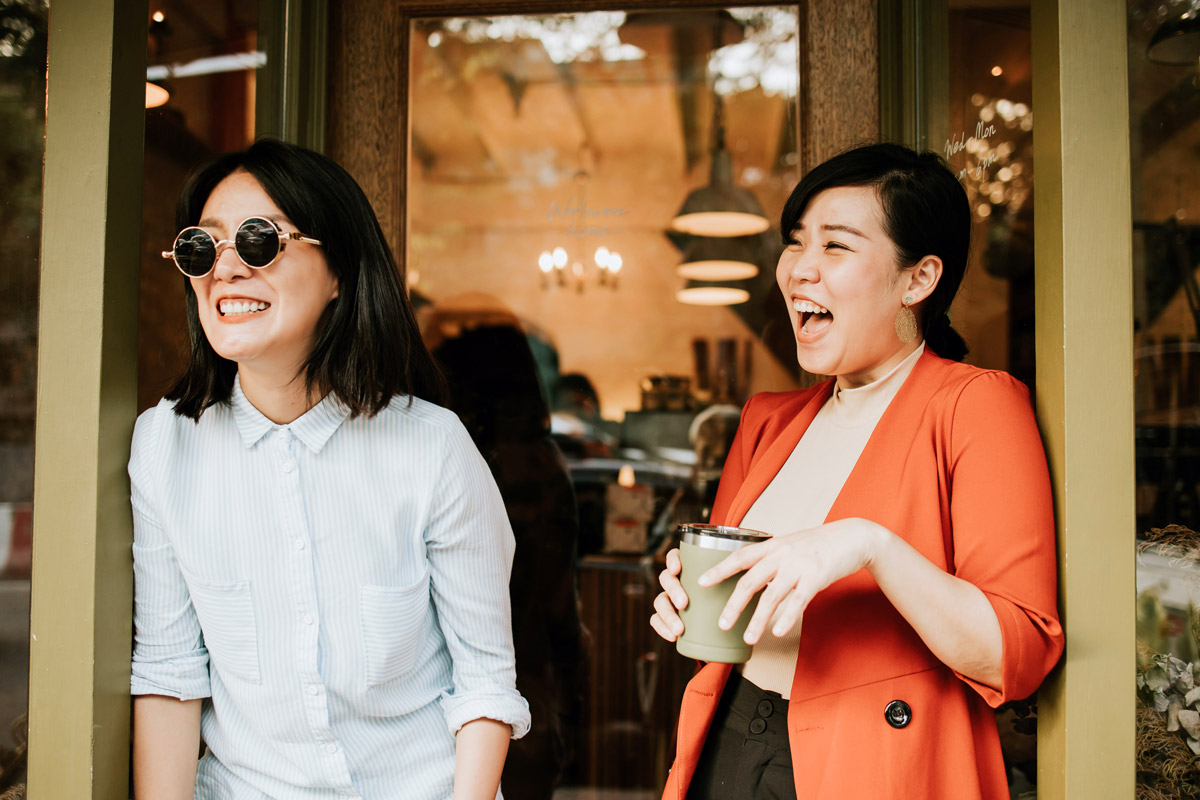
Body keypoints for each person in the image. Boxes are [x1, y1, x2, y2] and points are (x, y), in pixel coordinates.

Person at [649, 142, 1063, 800]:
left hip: (881, 764)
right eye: (795, 243)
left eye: (836, 247)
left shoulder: (975, 405)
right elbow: (735, 611)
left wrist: (869, 544)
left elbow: (1016, 654)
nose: (799, 271)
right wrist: (688, 598)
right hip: (730, 736)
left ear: (918, 279)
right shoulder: (767, 420)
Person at [130, 139, 529, 799]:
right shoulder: (163, 446)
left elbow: (484, 684)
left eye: (259, 241)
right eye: (203, 248)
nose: (224, 270)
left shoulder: (432, 448)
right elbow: (171, 674)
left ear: (339, 271)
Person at [428, 320, 584, 800]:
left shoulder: (444, 456)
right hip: (528, 675)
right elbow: (560, 601)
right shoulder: (545, 464)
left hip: (439, 691)